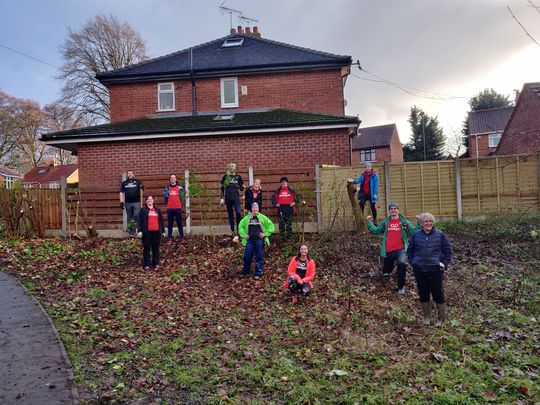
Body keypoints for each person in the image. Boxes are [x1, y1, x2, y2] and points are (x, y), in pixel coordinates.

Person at [407, 212, 453, 326]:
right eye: (425, 221)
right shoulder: (416, 235)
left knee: (438, 293)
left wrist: (444, 263)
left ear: (433, 222)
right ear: (421, 223)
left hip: (435, 270)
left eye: (430, 221)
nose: (428, 223)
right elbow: (410, 250)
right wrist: (413, 262)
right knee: (423, 293)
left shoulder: (440, 234)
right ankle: (426, 317)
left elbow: (448, 250)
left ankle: (441, 319)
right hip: (420, 270)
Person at [366, 202, 420, 295]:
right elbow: (376, 231)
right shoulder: (385, 222)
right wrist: (369, 222)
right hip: (388, 250)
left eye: (395, 209)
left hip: (401, 249)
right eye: (391, 209)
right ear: (389, 211)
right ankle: (386, 281)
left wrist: (419, 222)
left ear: (398, 210)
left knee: (402, 264)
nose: (393, 210)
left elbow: (413, 231)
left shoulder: (404, 222)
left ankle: (401, 288)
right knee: (386, 272)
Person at [238, 202, 275, 279]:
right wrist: (244, 234)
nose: (255, 209)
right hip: (250, 240)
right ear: (251, 209)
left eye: (256, 207)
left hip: (259, 240)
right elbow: (240, 226)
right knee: (247, 256)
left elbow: (271, 225)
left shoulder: (262, 217)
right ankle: (245, 272)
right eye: (254, 207)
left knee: (259, 256)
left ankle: (258, 272)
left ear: (258, 208)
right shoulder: (247, 218)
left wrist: (265, 233)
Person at [138, 196, 165, 271]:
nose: (150, 201)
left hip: (156, 232)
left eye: (151, 199)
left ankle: (156, 263)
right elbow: (139, 221)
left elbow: (161, 221)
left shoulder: (157, 210)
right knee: (147, 248)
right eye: (148, 199)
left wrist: (162, 231)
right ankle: (147, 264)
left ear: (153, 201)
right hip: (147, 233)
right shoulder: (143, 210)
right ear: (146, 201)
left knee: (155, 248)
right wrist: (139, 230)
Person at [220, 163, 244, 235]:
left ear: (235, 168)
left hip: (235, 197)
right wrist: (222, 198)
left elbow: (241, 188)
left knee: (238, 212)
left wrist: (242, 186)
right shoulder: (226, 177)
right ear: (228, 168)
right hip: (228, 197)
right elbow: (222, 188)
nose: (231, 167)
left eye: (233, 166)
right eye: (230, 166)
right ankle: (232, 231)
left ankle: (238, 229)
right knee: (230, 214)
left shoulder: (238, 177)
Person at [119, 170, 144, 235]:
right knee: (129, 217)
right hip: (128, 203)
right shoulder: (124, 183)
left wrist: (142, 186)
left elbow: (142, 188)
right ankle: (131, 232)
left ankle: (130, 227)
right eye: (129, 173)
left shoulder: (137, 181)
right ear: (127, 175)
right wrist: (121, 202)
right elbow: (121, 192)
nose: (130, 174)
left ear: (133, 174)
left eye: (131, 173)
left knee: (136, 215)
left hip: (137, 202)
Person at [164, 174, 185, 243]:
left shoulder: (180, 188)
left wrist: (179, 203)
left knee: (179, 223)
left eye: (174, 177)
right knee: (170, 223)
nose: (172, 179)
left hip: (178, 208)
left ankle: (181, 237)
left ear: (176, 179)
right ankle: (170, 238)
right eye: (171, 178)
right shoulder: (167, 188)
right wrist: (168, 204)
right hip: (170, 208)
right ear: (170, 179)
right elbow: (165, 198)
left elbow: (182, 198)